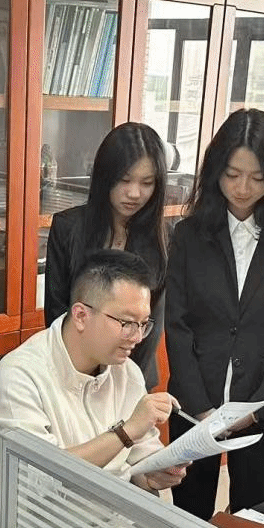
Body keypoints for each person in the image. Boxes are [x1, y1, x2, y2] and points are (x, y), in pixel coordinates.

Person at [165, 108, 264, 518]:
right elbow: (177, 326)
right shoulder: (189, 235)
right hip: (195, 403)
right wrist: (199, 407)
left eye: (258, 177)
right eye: (232, 174)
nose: (243, 188)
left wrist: (257, 407)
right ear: (216, 171)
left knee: (254, 520)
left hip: (262, 408)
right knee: (188, 516)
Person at [0, 249, 186, 505]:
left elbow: (140, 459)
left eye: (143, 324)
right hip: (50, 523)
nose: (137, 337)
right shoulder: (20, 376)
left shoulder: (127, 372)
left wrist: (156, 474)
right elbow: (39, 480)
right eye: (126, 323)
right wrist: (126, 432)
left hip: (118, 515)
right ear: (81, 315)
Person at [43, 123, 169, 389]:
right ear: (104, 176)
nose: (134, 193)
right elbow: (57, 314)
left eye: (147, 183)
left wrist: (129, 385)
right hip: (73, 375)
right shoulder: (68, 228)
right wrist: (81, 374)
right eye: (124, 180)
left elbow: (151, 326)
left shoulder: (163, 238)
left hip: (133, 376)